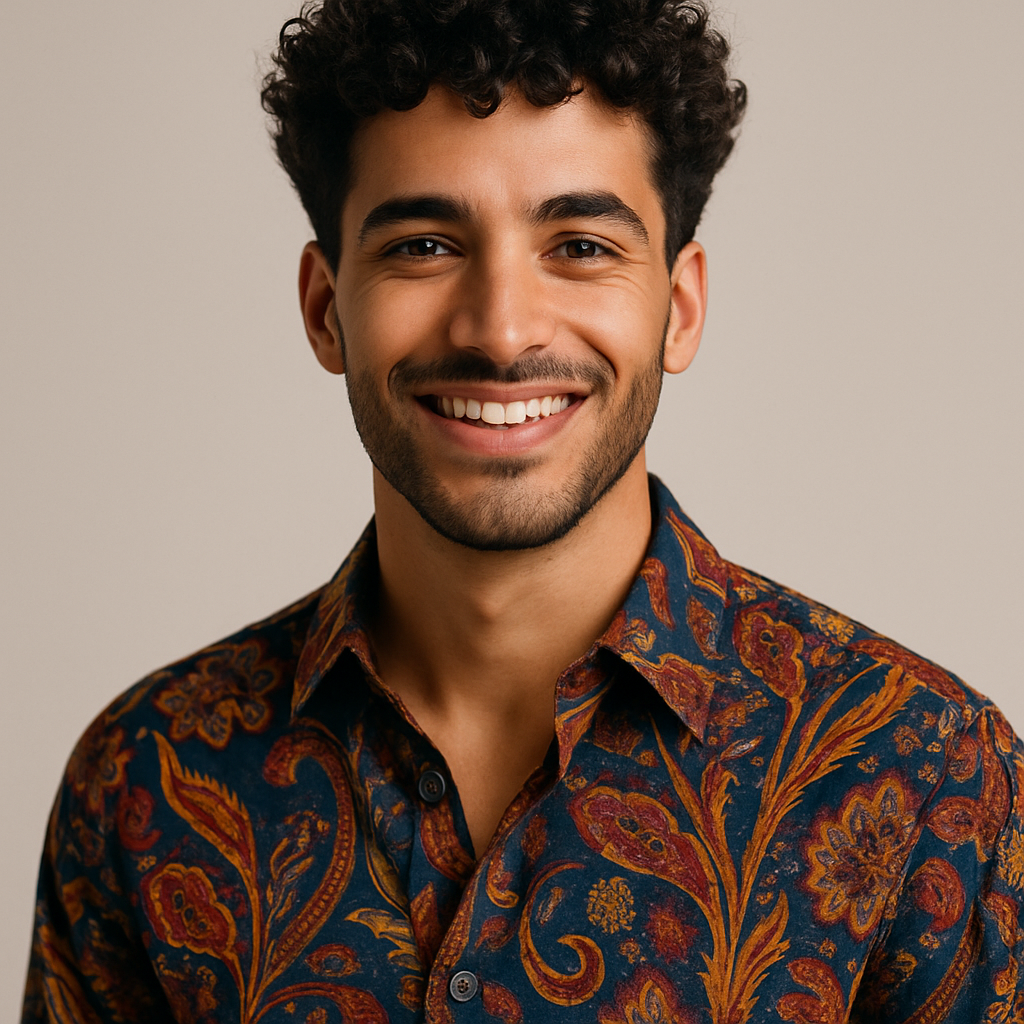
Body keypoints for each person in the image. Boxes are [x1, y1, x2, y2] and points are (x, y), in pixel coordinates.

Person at [21, 0, 1024, 1020]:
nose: (500, 330)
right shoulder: (144, 780)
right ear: (327, 309)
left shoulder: (928, 776)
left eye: (581, 246)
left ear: (677, 308)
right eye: (422, 245)